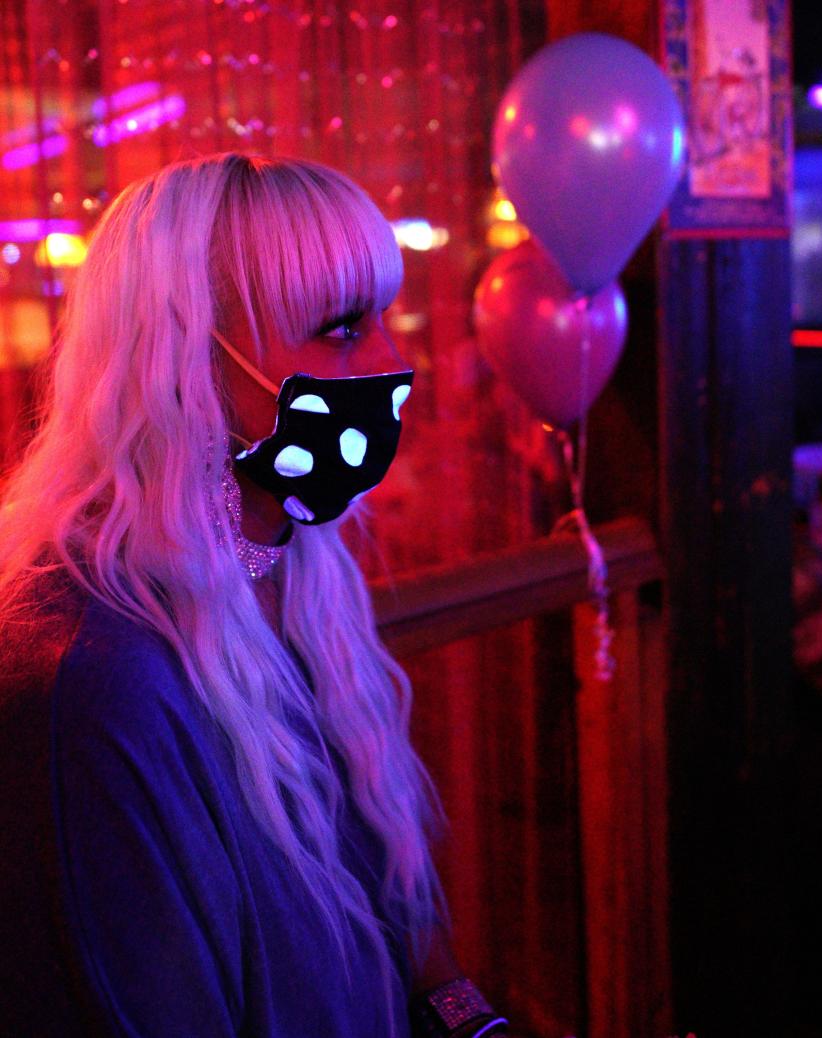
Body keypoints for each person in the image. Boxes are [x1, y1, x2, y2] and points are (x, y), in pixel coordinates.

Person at [0, 153, 510, 1038]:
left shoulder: (296, 560)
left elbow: (390, 904)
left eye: (385, 316)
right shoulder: (100, 675)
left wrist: (471, 1021)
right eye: (344, 329)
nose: (397, 361)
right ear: (185, 355)